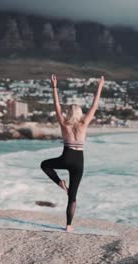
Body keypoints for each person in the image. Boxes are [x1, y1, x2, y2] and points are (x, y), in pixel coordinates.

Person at [40, 74, 104, 232]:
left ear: (68, 113)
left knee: (45, 165)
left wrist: (54, 86)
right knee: (72, 196)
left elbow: (56, 104)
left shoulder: (64, 123)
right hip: (78, 162)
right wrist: (99, 86)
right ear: (80, 113)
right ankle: (68, 226)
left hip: (65, 158)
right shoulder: (84, 123)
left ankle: (59, 182)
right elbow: (95, 106)